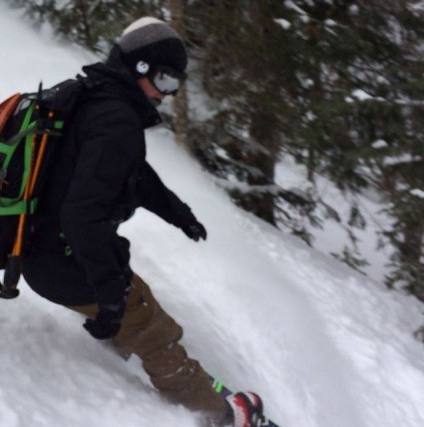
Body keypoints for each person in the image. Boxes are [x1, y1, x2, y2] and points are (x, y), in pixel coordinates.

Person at [21, 17, 262, 427]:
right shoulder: (116, 121)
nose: (169, 96)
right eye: (167, 82)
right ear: (142, 69)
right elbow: (82, 217)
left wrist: (176, 212)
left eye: (177, 87)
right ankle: (217, 415)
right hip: (63, 258)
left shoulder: (94, 96)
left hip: (38, 247)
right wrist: (110, 293)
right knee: (151, 325)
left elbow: (127, 170)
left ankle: (122, 347)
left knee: (129, 306)